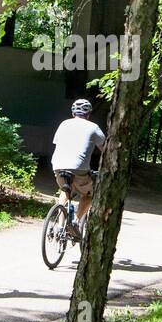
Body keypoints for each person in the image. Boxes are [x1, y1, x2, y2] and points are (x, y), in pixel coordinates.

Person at [50, 98, 106, 238]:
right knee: (89, 194)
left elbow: (57, 142)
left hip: (58, 165)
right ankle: (75, 222)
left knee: (65, 190)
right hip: (79, 168)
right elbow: (105, 149)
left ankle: (59, 226)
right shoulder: (93, 127)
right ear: (89, 114)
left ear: (73, 112)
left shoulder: (63, 124)